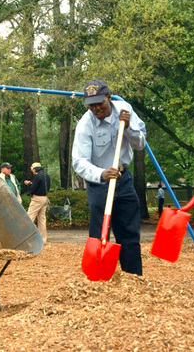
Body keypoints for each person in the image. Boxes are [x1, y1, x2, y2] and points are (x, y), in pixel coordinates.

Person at [72, 79, 147, 275]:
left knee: (129, 232)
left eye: (100, 103)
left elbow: (140, 144)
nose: (96, 109)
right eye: (91, 105)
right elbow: (79, 162)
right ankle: (97, 278)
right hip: (99, 184)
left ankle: (133, 278)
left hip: (123, 179)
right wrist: (101, 174)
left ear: (109, 97)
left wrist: (129, 126)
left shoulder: (124, 109)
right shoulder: (85, 125)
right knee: (99, 234)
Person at [24, 162, 50, 241]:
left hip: (37, 199)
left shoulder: (37, 176)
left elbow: (33, 188)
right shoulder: (46, 175)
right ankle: (43, 239)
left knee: (30, 217)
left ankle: (27, 238)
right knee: (42, 219)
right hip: (45, 198)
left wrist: (28, 184)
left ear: (34, 169)